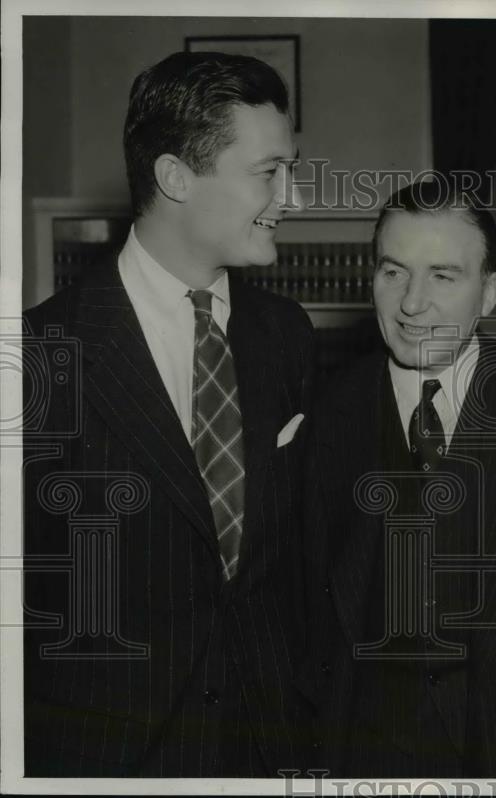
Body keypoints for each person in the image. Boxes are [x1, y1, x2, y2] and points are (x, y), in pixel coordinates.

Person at [22, 51, 315, 777]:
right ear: (176, 176)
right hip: (109, 758)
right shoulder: (40, 353)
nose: (293, 197)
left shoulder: (287, 335)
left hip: (268, 748)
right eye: (268, 172)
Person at [299, 179, 496, 777]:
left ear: (488, 293)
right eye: (394, 273)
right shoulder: (322, 417)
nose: (412, 303)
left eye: (444, 276)